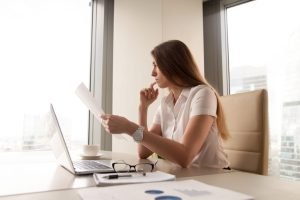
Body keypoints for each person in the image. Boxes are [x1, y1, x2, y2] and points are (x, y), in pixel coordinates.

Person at [101, 40, 230, 169]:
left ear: (173, 66)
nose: (153, 73)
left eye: (156, 65)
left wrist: (129, 127)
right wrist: (143, 108)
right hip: (185, 177)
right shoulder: (165, 103)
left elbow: (184, 156)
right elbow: (143, 152)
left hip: (212, 176)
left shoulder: (202, 94)